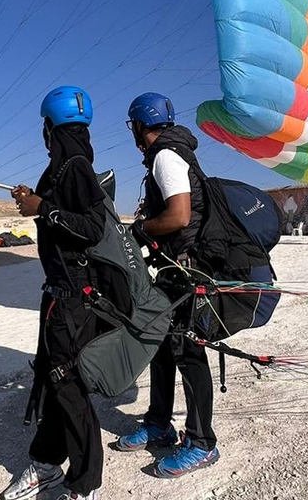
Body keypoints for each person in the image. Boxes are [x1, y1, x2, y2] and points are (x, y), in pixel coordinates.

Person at [2, 86, 105, 500]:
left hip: (75, 301)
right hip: (59, 296)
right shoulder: (63, 167)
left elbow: (92, 228)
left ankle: (85, 485)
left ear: (50, 127)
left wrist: (43, 209)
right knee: (53, 380)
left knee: (68, 385)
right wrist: (34, 198)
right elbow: (55, 208)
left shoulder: (76, 166)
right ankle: (46, 464)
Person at [117, 92, 220, 478]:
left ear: (141, 125)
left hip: (188, 271)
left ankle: (202, 443)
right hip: (174, 269)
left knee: (188, 353)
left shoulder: (166, 156)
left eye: (134, 126)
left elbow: (178, 217)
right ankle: (159, 423)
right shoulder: (171, 153)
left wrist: (139, 229)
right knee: (161, 345)